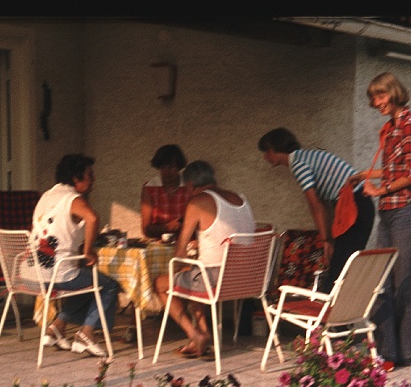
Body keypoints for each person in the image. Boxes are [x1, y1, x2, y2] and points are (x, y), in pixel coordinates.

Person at [346, 72, 411, 368]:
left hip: (407, 212)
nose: (376, 102)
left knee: (400, 283)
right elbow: (392, 170)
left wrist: (379, 189)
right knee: (381, 283)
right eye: (373, 98)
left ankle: (401, 354)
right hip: (388, 213)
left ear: (393, 93)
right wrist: (362, 175)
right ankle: (388, 353)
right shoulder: (389, 129)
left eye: (380, 96)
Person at [154, 160, 256, 360]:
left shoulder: (198, 202)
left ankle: (194, 334)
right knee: (191, 275)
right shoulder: (240, 198)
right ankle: (203, 334)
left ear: (190, 184)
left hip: (216, 280)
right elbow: (232, 235)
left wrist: (182, 264)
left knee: (161, 283)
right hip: (248, 278)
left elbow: (181, 250)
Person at [258, 127, 375, 293]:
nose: (265, 157)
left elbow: (315, 204)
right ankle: (342, 315)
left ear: (273, 151)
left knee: (340, 269)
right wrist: (328, 236)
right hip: (357, 204)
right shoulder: (307, 157)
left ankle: (334, 316)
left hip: (354, 205)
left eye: (266, 152)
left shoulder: (298, 164)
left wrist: (325, 240)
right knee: (345, 266)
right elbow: (324, 204)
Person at [31, 153, 121, 358]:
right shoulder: (72, 198)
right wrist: (88, 251)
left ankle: (57, 326)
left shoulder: (47, 196)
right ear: (76, 177)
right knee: (108, 285)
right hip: (58, 274)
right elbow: (92, 218)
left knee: (89, 284)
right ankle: (86, 333)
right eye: (90, 175)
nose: (94, 179)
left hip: (35, 275)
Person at [140, 144, 191, 239]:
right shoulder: (150, 187)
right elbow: (145, 229)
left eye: (171, 167)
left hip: (184, 241)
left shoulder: (188, 186)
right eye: (163, 167)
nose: (167, 172)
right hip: (158, 243)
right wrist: (166, 228)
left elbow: (195, 223)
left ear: (179, 167)